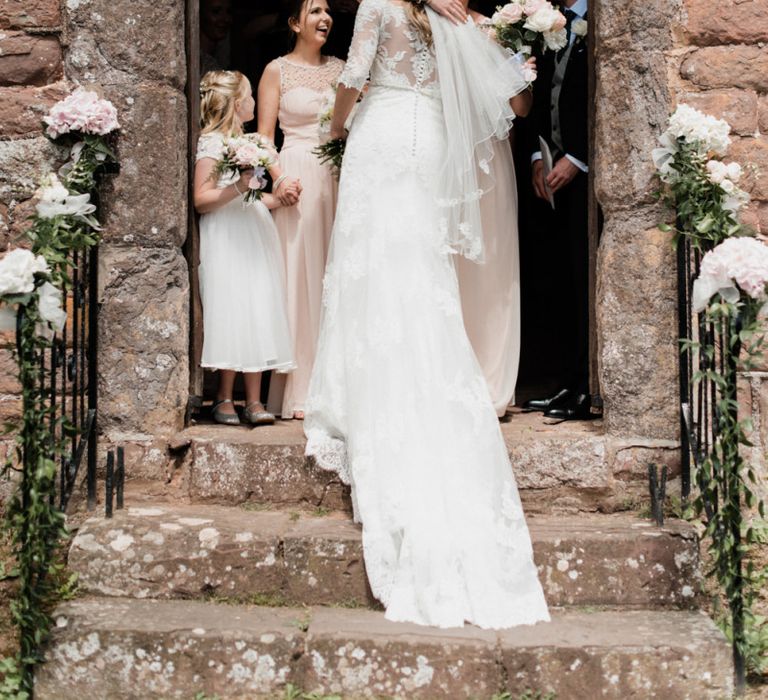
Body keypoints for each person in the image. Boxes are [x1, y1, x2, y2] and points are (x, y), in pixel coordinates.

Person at [303, 0, 549, 628]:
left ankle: (360, 386)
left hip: (382, 132)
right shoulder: (456, 21)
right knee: (418, 263)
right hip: (432, 138)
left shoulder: (379, 8)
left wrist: (336, 129)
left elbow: (354, 77)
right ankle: (428, 372)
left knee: (368, 259)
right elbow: (509, 96)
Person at [258, 0, 345, 421]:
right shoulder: (276, 70)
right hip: (294, 174)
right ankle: (298, 390)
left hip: (336, 178)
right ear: (294, 22)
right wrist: (277, 178)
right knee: (296, 277)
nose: (324, 18)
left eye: (327, 10)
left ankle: (335, 385)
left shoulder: (342, 68)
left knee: (334, 273)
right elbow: (262, 136)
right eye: (314, 11)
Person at [194, 70, 296, 426]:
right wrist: (239, 186)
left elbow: (250, 199)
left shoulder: (250, 143)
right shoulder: (211, 143)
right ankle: (224, 396)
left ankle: (254, 400)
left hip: (253, 231)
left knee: (258, 305)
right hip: (225, 235)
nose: (255, 102)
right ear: (238, 104)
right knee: (231, 309)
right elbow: (202, 198)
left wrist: (278, 199)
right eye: (251, 96)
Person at [523, 0, 591, 421]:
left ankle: (587, 386)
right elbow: (534, 90)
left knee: (585, 278)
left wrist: (579, 157)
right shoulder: (545, 23)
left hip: (584, 175)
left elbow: (606, 96)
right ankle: (563, 383)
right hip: (548, 172)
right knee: (556, 278)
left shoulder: (597, 20)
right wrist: (535, 156)